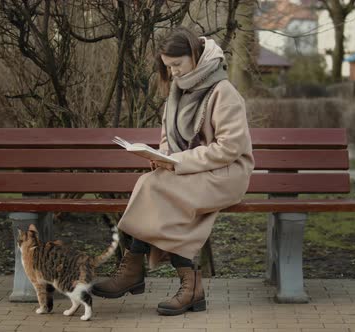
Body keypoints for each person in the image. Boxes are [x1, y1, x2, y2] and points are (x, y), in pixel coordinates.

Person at [91, 27, 254, 316]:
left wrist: (178, 163)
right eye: (168, 67)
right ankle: (190, 287)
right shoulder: (177, 93)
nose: (174, 72)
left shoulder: (223, 91)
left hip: (227, 173)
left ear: (194, 56)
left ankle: (133, 267)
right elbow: (168, 140)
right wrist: (162, 158)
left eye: (177, 65)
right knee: (154, 182)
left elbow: (229, 148)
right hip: (191, 172)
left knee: (156, 188)